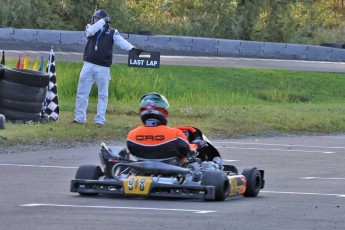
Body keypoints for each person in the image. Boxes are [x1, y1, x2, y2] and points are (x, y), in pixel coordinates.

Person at [72, 9, 142, 125]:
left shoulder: (112, 32)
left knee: (103, 95)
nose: (95, 20)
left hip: (103, 67)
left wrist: (133, 49)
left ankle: (100, 120)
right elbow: (90, 32)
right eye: (95, 18)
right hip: (88, 64)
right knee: (82, 92)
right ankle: (79, 118)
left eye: (97, 18)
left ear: (105, 20)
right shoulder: (90, 27)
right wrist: (102, 21)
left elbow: (122, 42)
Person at [126, 93, 191, 163]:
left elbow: (131, 151)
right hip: (170, 171)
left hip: (141, 169)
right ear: (163, 112)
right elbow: (186, 150)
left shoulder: (131, 135)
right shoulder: (175, 134)